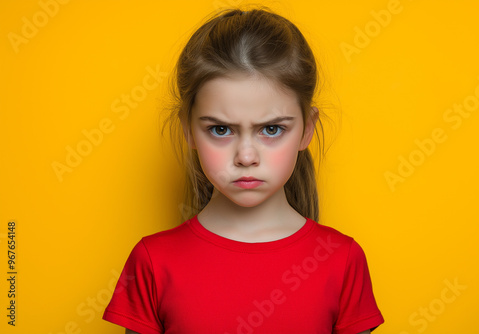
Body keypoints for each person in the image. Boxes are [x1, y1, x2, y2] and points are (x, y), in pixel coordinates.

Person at [102, 6, 384, 334]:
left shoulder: (343, 261)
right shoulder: (152, 261)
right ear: (189, 130)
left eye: (272, 129)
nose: (246, 156)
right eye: (221, 130)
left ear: (307, 128)